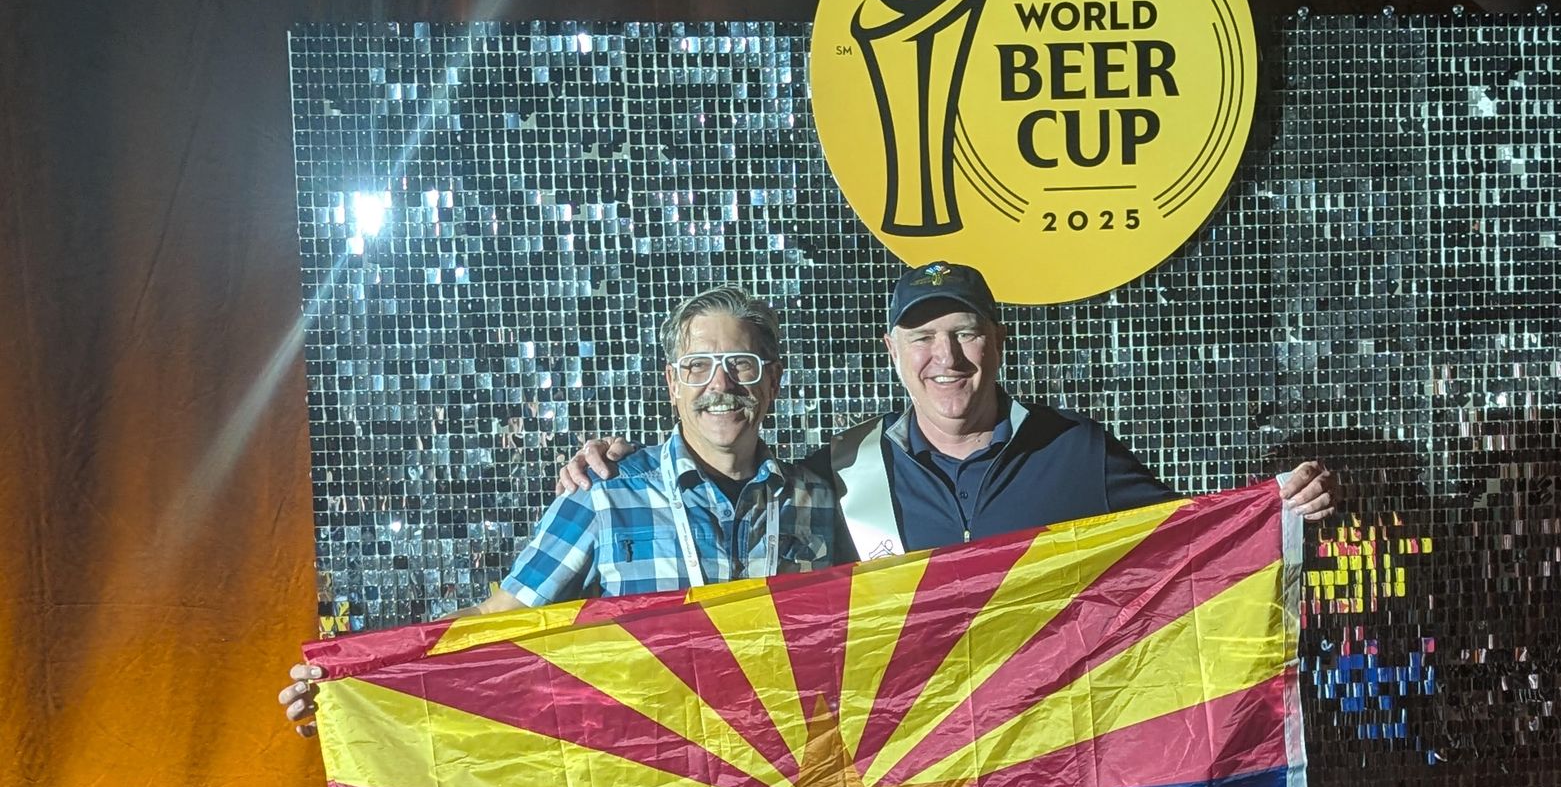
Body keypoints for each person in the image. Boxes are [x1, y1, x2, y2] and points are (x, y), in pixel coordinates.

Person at [280, 285, 838, 736]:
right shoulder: (605, 493)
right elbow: (493, 622)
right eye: (697, 366)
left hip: (784, 781)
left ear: (772, 383)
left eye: (740, 364)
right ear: (672, 384)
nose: (719, 384)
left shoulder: (816, 501)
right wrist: (349, 681)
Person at [556, 261, 1339, 558]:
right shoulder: (835, 475)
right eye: (923, 337)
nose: (947, 358)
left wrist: (1273, 512)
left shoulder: (1078, 452)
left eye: (964, 332)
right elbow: (726, 498)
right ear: (892, 352)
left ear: (997, 342)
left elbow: (1192, 546)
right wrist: (610, 472)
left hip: (1047, 770)